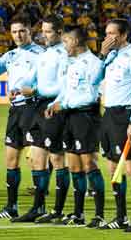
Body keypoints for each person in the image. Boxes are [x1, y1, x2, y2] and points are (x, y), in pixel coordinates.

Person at [0, 17, 44, 219]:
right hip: (15, 110)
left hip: (33, 108)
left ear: (30, 32)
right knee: (10, 158)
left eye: (22, 31)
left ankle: (39, 207)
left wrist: (33, 91)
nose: (18, 35)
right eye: (14, 31)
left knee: (35, 160)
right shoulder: (10, 55)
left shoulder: (41, 54)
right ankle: (11, 206)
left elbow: (50, 80)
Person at [45, 27, 106, 227]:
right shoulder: (73, 63)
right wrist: (54, 104)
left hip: (86, 116)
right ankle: (78, 214)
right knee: (74, 166)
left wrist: (65, 104)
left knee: (89, 164)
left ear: (75, 41)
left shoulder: (94, 63)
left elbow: (91, 95)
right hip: (69, 117)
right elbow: (67, 91)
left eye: (65, 42)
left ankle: (99, 215)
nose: (64, 47)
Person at [13, 15, 66, 224]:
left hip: (54, 106)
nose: (44, 35)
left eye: (49, 32)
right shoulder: (46, 53)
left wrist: (34, 89)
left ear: (59, 33)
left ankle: (58, 210)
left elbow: (64, 84)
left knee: (57, 159)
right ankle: (38, 207)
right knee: (36, 158)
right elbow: (32, 76)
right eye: (43, 31)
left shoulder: (64, 54)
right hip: (38, 106)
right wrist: (19, 88)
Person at [96, 19, 131, 232]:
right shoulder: (110, 56)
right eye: (106, 33)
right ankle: (121, 217)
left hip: (124, 115)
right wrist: (101, 55)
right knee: (111, 166)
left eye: (113, 34)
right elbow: (95, 79)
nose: (108, 37)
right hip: (108, 113)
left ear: (124, 35)